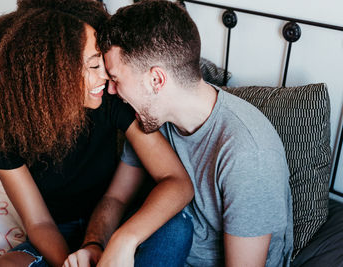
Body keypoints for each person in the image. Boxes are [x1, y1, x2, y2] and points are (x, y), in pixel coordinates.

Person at [0, 0, 194, 266]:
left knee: (176, 226)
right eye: (94, 66)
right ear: (50, 73)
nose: (107, 77)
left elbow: (176, 182)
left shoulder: (110, 101)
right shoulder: (1, 130)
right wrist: (74, 262)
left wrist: (118, 241)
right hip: (57, 233)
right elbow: (39, 223)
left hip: (120, 221)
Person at [87, 0, 293, 266]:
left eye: (115, 78)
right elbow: (116, 197)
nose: (112, 91)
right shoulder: (148, 118)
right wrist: (97, 243)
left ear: (156, 80)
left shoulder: (248, 154)